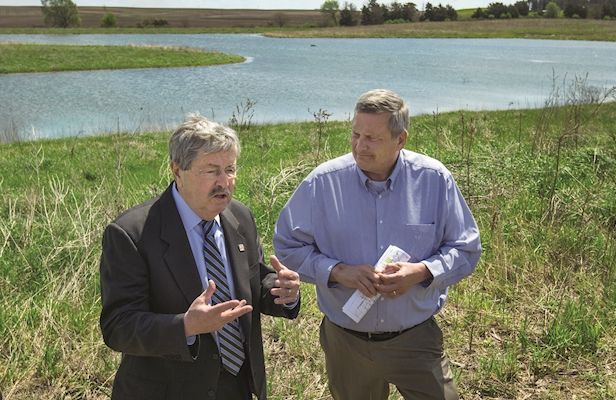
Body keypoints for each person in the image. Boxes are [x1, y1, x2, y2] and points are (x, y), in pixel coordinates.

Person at [274, 89, 481, 400]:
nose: (360, 146)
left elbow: (466, 248)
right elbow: (288, 245)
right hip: (347, 343)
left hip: (415, 339)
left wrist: (422, 271)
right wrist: (336, 271)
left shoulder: (434, 180)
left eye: (372, 138)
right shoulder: (322, 183)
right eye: (356, 134)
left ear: (401, 139)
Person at [100, 114, 301, 400]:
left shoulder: (239, 217)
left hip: (237, 386)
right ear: (177, 170)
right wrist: (185, 326)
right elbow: (118, 327)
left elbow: (253, 280)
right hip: (168, 391)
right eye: (211, 171)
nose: (224, 182)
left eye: (230, 169)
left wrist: (282, 291)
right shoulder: (132, 233)